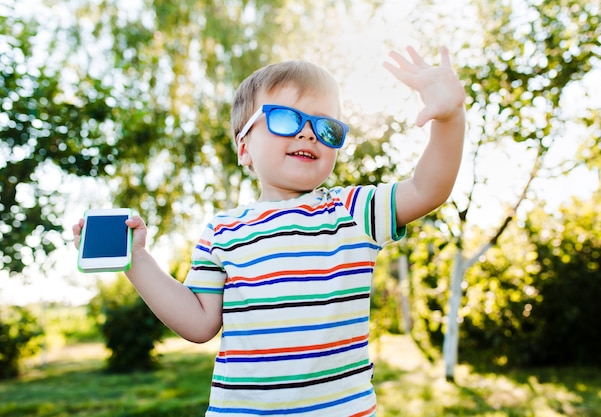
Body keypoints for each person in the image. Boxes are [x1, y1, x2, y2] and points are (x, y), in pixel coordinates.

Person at [73, 45, 465, 416]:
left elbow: (429, 188)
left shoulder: (352, 210)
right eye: (285, 118)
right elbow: (198, 324)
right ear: (244, 148)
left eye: (326, 128)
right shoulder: (222, 231)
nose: (309, 133)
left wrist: (449, 118)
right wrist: (137, 259)